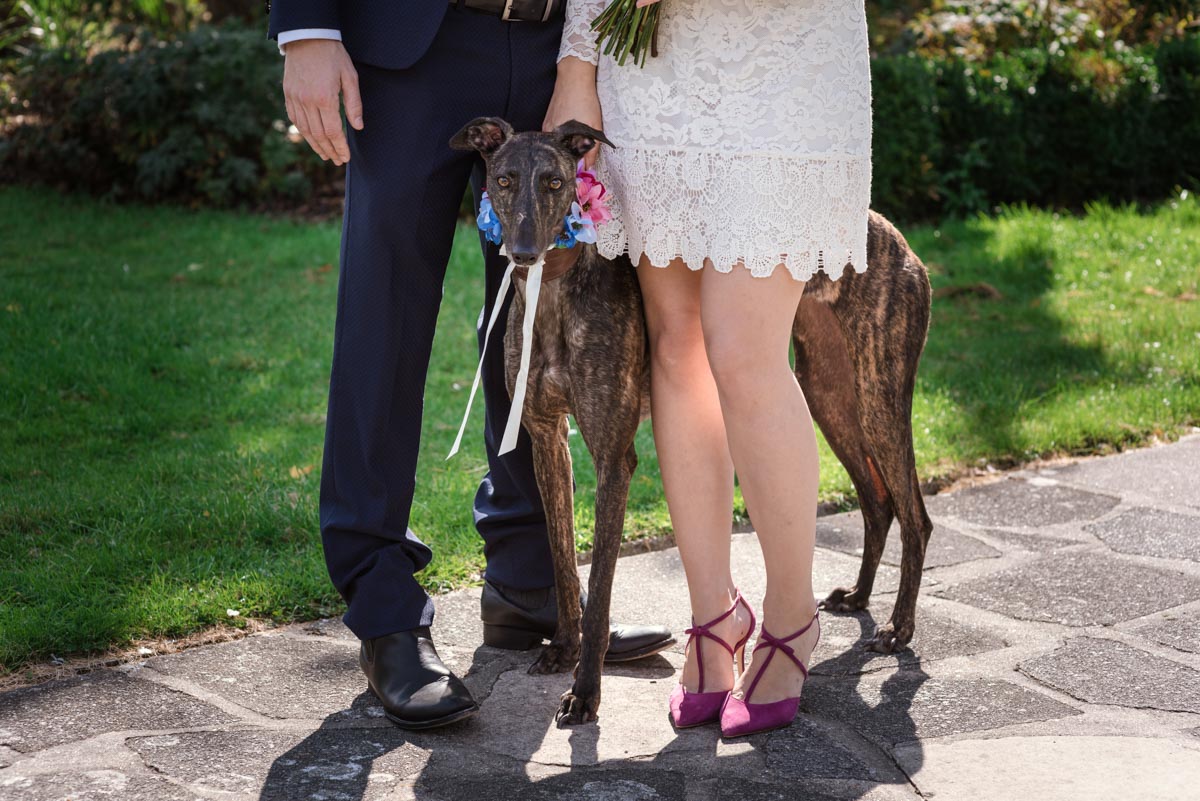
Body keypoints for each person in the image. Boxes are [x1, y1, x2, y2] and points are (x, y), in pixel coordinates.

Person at [266, 0, 674, 731]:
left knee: (534, 321)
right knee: (381, 323)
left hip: (554, 47)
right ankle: (383, 608)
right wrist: (308, 29)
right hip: (412, 45)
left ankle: (532, 584)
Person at [545, 0, 873, 737]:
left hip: (783, 62)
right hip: (655, 70)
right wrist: (577, 67)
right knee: (677, 341)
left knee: (742, 347)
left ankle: (792, 614)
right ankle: (713, 612)